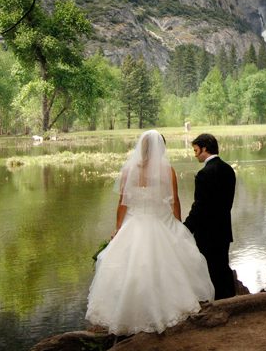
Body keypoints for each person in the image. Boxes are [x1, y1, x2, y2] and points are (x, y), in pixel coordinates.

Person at [86, 130, 214, 335]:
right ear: (160, 148)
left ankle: (128, 315)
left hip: (134, 223)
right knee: (165, 267)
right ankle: (164, 309)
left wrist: (118, 229)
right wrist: (178, 224)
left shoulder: (129, 170)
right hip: (159, 223)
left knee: (129, 270)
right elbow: (174, 200)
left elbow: (122, 203)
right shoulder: (167, 170)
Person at [184, 133, 236, 299]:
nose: (195, 154)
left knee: (210, 268)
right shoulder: (228, 170)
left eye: (196, 150)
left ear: (204, 148)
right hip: (223, 228)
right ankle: (229, 300)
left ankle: (217, 303)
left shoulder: (204, 174)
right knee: (222, 266)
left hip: (207, 232)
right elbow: (226, 203)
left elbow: (200, 206)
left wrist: (186, 227)